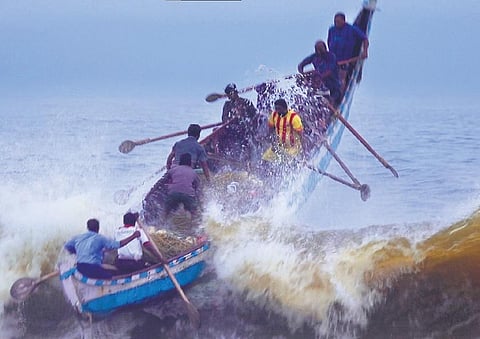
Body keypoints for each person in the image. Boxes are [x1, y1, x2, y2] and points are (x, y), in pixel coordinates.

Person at [64, 218, 140, 279]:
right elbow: (118, 245)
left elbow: (67, 246)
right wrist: (133, 236)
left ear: (87, 227)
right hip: (93, 268)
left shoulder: (78, 237)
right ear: (98, 228)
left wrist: (77, 251)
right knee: (118, 274)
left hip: (80, 267)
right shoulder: (100, 238)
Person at [327, 12, 369, 90]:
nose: (336, 23)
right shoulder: (332, 29)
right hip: (334, 59)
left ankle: (340, 94)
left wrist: (365, 51)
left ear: (343, 21)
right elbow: (329, 41)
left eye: (338, 22)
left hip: (345, 59)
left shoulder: (352, 29)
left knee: (341, 78)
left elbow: (365, 39)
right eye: (335, 21)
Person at [218, 83, 258, 161]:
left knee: (247, 139)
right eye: (228, 94)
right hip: (233, 131)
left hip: (246, 130)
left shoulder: (246, 102)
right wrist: (232, 119)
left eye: (230, 93)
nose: (229, 96)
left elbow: (254, 116)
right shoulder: (227, 105)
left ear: (235, 92)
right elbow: (224, 119)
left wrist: (243, 117)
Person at [297, 40, 342, 106]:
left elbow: (329, 71)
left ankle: (333, 106)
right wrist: (303, 74)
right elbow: (301, 65)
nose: (319, 52)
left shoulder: (331, 56)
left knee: (333, 98)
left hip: (333, 84)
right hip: (321, 86)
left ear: (325, 48)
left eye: (320, 49)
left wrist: (319, 77)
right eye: (317, 49)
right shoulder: (314, 56)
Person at [262, 98, 304, 163]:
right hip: (279, 146)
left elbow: (301, 134)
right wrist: (272, 141)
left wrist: (303, 150)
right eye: (275, 108)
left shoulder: (294, 118)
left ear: (284, 108)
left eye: (278, 109)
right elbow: (271, 128)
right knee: (265, 159)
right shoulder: (274, 115)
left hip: (292, 147)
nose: (277, 111)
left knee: (286, 162)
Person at [164, 153, 201, 219]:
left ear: (180, 161)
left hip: (173, 193)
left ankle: (162, 223)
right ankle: (196, 226)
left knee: (166, 211)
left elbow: (166, 179)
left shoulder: (174, 169)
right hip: (188, 194)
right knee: (194, 213)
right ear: (190, 163)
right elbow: (197, 185)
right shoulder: (193, 172)